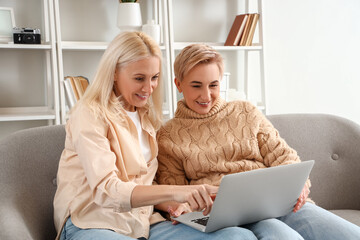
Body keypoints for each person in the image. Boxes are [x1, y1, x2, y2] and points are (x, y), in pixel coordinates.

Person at [53, 32, 258, 240]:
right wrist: (177, 192)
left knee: (238, 236)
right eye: (139, 78)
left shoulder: (146, 117)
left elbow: (144, 185)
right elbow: (107, 191)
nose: (148, 88)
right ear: (114, 72)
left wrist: (177, 206)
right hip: (92, 224)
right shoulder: (88, 113)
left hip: (143, 223)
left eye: (154, 78)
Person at [156, 43, 360, 240]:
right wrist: (186, 208)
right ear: (179, 84)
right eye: (196, 86)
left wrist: (299, 187)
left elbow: (286, 157)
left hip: (279, 203)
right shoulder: (168, 135)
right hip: (229, 218)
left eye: (213, 85)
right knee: (283, 236)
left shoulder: (246, 112)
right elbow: (176, 196)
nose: (206, 95)